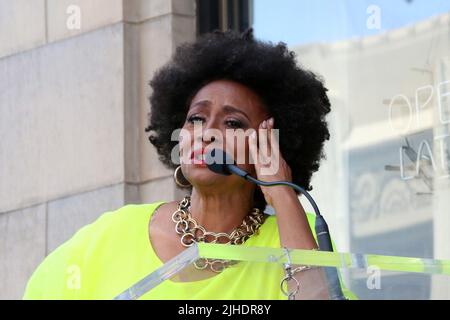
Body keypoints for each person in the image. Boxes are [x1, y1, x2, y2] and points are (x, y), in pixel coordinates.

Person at [24, 28, 355, 300]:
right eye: (196, 118)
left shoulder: (294, 236)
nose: (207, 133)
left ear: (265, 147)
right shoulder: (112, 235)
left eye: (233, 124)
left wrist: (281, 193)